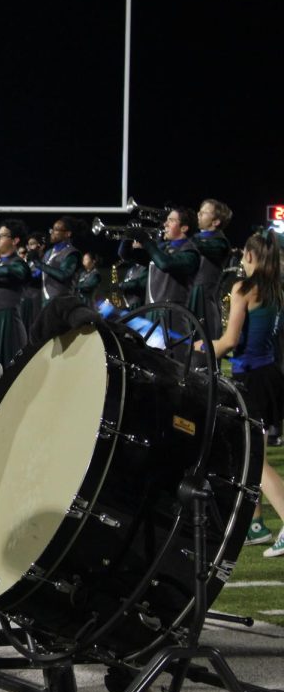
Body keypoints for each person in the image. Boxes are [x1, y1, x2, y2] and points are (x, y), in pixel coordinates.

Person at [193, 232, 284, 556]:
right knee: (252, 452)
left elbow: (230, 341)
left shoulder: (243, 288)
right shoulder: (276, 288)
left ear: (249, 256)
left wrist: (202, 348)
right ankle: (256, 524)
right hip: (270, 375)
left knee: (253, 461)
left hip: (251, 378)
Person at [120, 207, 200, 361]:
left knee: (174, 365)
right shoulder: (163, 249)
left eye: (171, 220)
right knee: (151, 365)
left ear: (184, 228)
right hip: (152, 313)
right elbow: (126, 255)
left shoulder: (190, 253)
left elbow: (165, 264)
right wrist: (128, 236)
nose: (165, 224)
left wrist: (146, 241)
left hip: (172, 318)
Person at [0, 219, 31, 366]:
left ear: (15, 240)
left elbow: (14, 271)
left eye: (2, 236)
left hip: (8, 320)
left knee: (9, 367)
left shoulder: (18, 263)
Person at [191, 199, 233, 342]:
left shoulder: (221, 242)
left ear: (216, 222)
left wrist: (184, 233)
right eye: (199, 211)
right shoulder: (194, 237)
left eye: (204, 212)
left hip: (204, 299)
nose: (198, 214)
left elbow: (202, 247)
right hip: (186, 295)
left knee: (203, 341)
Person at [34, 217, 82, 303]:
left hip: (62, 302)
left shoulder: (72, 253)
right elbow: (38, 274)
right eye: (52, 229)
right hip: (46, 301)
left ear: (67, 234)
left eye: (56, 229)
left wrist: (39, 264)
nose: (52, 232)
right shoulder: (49, 252)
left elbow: (63, 275)